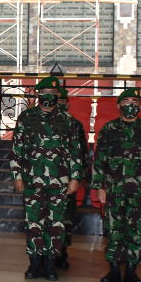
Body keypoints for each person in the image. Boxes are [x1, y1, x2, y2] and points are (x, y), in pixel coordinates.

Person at [9, 76, 82, 281]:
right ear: (37, 95)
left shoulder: (68, 120)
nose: (48, 97)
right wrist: (17, 175)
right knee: (33, 223)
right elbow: (17, 149)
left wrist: (75, 177)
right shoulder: (26, 117)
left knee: (56, 223)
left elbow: (75, 151)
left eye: (52, 93)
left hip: (59, 181)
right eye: (44, 93)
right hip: (32, 180)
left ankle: (50, 263)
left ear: (58, 95)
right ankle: (34, 263)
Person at [92, 88, 141, 282]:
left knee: (136, 230)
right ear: (118, 106)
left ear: (140, 105)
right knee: (114, 229)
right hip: (114, 189)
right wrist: (99, 186)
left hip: (139, 190)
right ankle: (114, 269)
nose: (131, 105)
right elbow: (100, 159)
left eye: (135, 101)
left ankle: (132, 270)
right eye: (126, 101)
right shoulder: (109, 129)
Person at [55, 88, 89, 270]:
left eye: (63, 100)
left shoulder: (75, 124)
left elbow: (82, 152)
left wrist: (78, 176)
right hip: (45, 181)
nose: (60, 103)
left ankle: (62, 252)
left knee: (65, 219)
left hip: (67, 180)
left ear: (68, 103)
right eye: (57, 99)